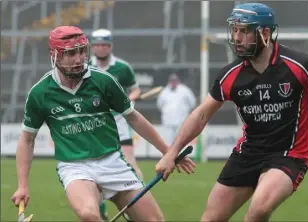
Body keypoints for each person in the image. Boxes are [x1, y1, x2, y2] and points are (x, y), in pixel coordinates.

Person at [155, 3, 308, 222]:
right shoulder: (230, 75)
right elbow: (201, 114)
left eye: (244, 30)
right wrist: (172, 152)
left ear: (265, 33)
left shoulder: (300, 65)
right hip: (248, 153)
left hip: (288, 155)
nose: (237, 37)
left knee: (258, 211)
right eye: (234, 30)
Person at [11, 26, 195, 222]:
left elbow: (134, 118)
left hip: (113, 162)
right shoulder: (40, 93)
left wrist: (168, 152)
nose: (78, 59)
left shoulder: (103, 80)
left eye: (82, 51)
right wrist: (23, 185)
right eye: (70, 53)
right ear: (54, 55)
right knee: (90, 215)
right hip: (75, 167)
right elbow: (27, 139)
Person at [89, 28, 143, 221]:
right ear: (92, 47)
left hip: (119, 124)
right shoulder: (85, 66)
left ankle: (134, 209)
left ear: (110, 47)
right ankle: (99, 211)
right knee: (95, 171)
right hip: (94, 128)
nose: (101, 49)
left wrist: (127, 100)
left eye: (104, 45)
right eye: (97, 45)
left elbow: (135, 90)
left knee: (131, 166)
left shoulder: (122, 67)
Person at [156, 73, 196, 145]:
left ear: (178, 80)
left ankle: (181, 156)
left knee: (180, 142)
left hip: (181, 122)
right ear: (169, 81)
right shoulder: (164, 91)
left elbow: (192, 102)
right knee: (168, 143)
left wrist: (185, 111)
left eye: (174, 80)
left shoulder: (185, 90)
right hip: (168, 122)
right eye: (171, 81)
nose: (173, 82)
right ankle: (169, 156)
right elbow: (159, 105)